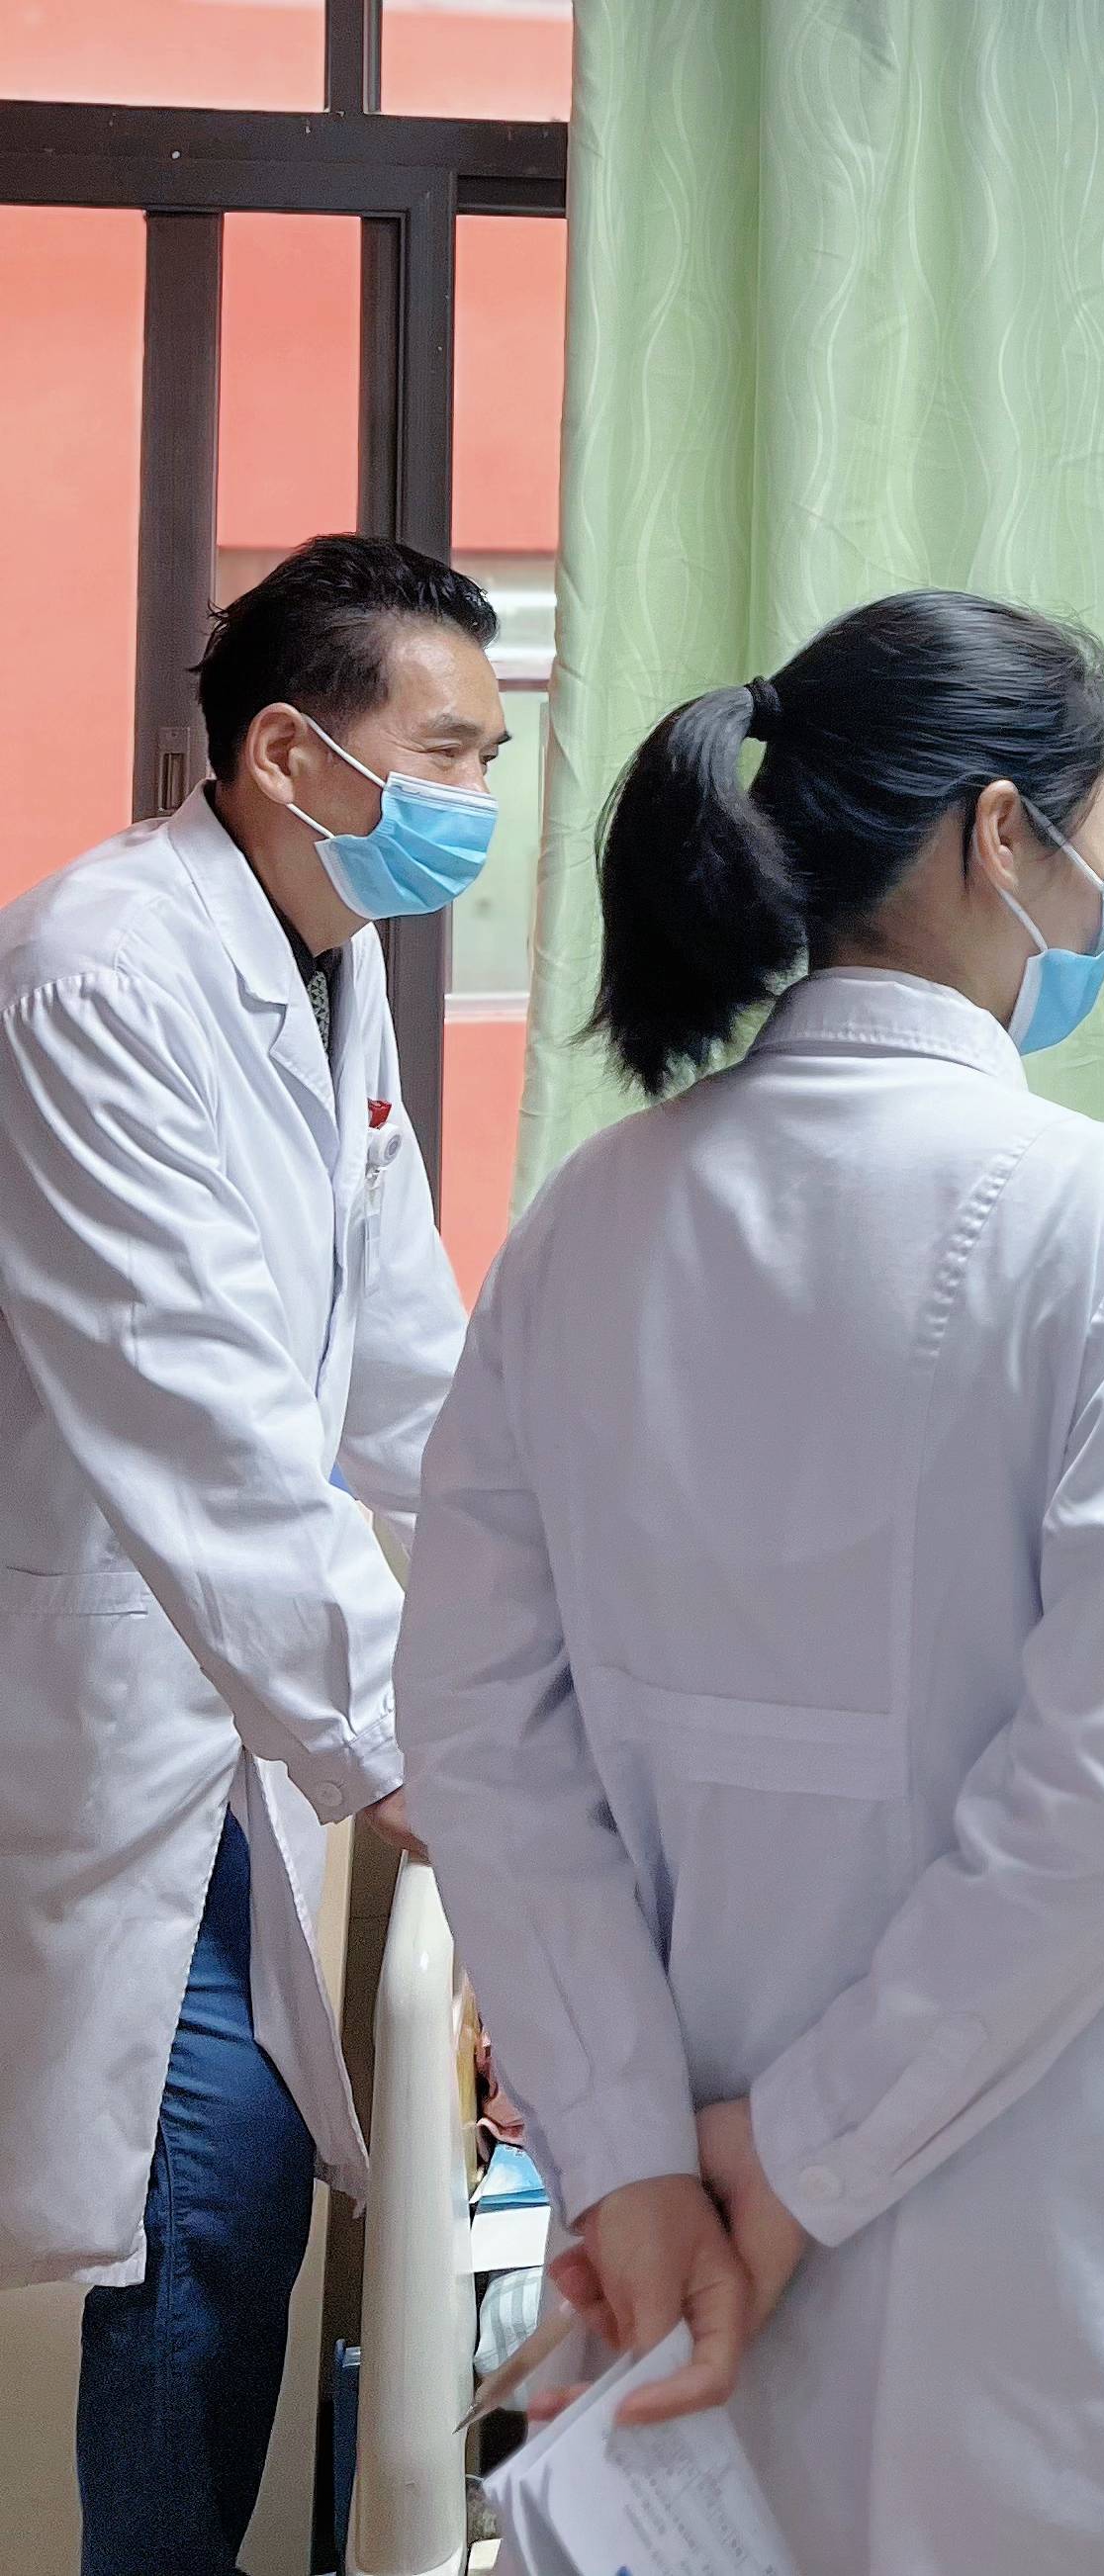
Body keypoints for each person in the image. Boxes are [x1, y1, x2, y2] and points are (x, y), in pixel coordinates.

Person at [394, 589, 1104, 2571]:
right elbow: (1091, 1797)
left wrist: (639, 2159)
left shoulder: (585, 1225)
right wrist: (791, 2159)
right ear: (1004, 836)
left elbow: (479, 1739)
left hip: (689, 2196)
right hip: (1037, 2207)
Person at [0, 533, 498, 2571]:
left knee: (223, 2193)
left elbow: (401, 1357)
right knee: (204, 2193)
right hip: (105, 1680)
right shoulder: (99, 970)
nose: (477, 797)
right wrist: (421, 1757)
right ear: (291, 752)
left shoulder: (325, 961)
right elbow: (197, 1404)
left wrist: (558, 1609)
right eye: (446, 751)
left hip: (208, 1690)